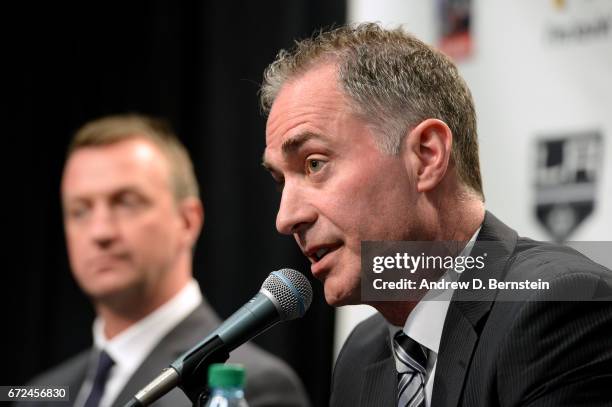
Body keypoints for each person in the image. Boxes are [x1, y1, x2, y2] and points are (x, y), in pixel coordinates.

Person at [260, 23, 612, 406]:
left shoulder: (558, 307)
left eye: (314, 164)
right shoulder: (360, 356)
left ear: (426, 157)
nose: (286, 217)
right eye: (281, 180)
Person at [21, 114, 310, 407]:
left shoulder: (250, 386)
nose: (100, 232)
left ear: (187, 222)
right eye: (80, 210)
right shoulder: (39, 394)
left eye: (126, 202)